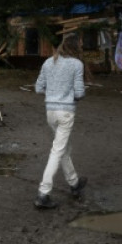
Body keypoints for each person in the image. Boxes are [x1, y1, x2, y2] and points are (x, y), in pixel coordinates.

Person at [34, 33, 88, 209]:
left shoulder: (48, 62)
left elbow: (38, 88)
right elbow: (79, 93)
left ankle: (74, 183)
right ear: (75, 47)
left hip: (50, 112)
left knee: (63, 148)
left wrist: (53, 94)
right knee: (57, 150)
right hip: (65, 113)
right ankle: (43, 193)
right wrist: (68, 95)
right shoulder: (77, 64)